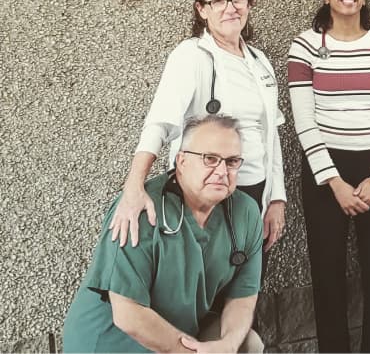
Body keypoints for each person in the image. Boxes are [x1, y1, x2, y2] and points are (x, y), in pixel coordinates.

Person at [108, 0, 286, 261]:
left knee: (246, 291)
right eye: (218, 0)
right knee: (202, 296)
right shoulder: (190, 56)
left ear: (248, 2)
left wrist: (276, 198)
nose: (231, 8)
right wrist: (133, 185)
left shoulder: (259, 62)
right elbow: (159, 122)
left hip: (255, 196)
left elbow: (271, 135)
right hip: (204, 199)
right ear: (202, 9)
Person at [287, 0, 370, 353]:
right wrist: (335, 182)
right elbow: (304, 122)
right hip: (326, 173)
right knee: (327, 274)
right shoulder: (304, 46)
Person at [63, 114, 265, 352]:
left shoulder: (245, 212)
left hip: (180, 333)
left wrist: (228, 346)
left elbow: (242, 297)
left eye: (231, 162)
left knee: (247, 345)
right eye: (210, 159)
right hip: (113, 341)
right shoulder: (138, 209)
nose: (222, 171)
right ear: (181, 161)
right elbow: (128, 313)